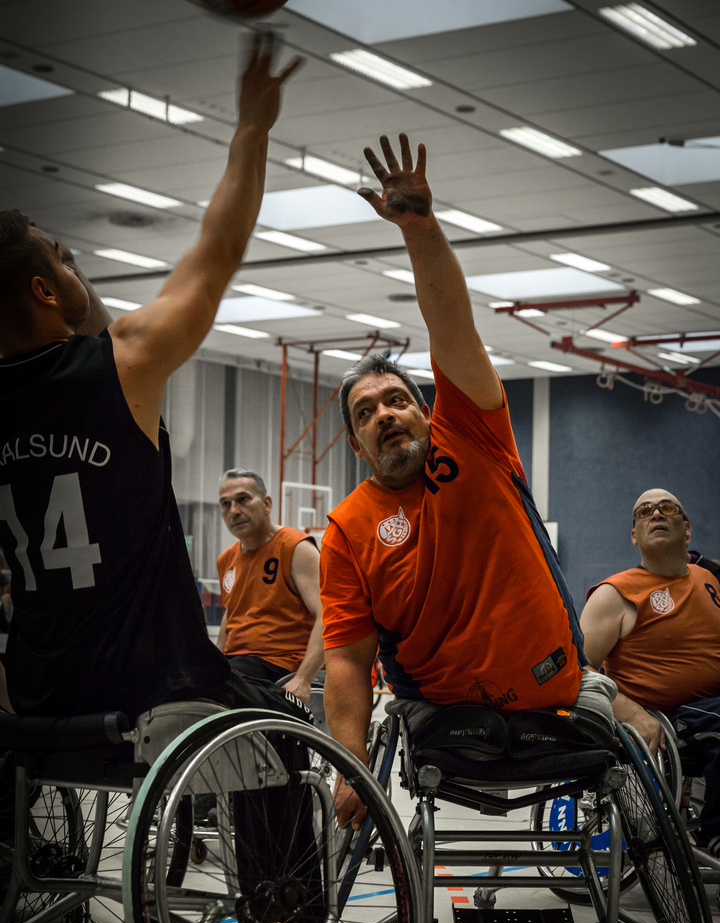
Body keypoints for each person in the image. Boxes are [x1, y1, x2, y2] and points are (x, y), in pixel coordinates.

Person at [0, 35, 305, 723]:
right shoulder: (125, 358)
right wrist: (253, 126)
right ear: (47, 290)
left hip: (38, 695)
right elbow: (218, 250)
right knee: (284, 727)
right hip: (153, 683)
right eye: (66, 258)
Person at [319, 134, 617, 829]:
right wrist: (352, 764)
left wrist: (420, 231)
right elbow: (346, 664)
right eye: (366, 413)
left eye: (396, 400)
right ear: (357, 444)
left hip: (555, 694)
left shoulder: (476, 434)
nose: (385, 415)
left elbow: (450, 322)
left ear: (427, 411)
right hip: (447, 722)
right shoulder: (345, 534)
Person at [581, 488, 720, 858]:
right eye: (644, 511)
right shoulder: (615, 594)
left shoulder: (709, 579)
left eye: (668, 507)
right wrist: (632, 713)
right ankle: (718, 837)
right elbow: (579, 670)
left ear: (687, 531)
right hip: (667, 715)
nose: (656, 513)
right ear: (634, 535)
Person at [216, 468, 324, 704]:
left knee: (226, 681)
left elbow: (328, 614)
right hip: (239, 666)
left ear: (266, 503)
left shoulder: (297, 549)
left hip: (280, 666)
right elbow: (231, 614)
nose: (234, 511)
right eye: (226, 504)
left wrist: (304, 679)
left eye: (242, 499)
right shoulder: (226, 560)